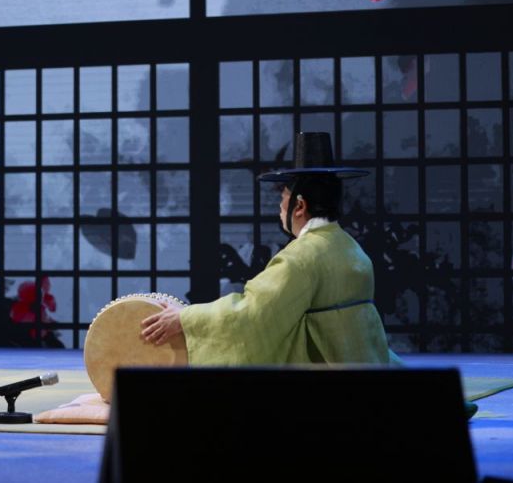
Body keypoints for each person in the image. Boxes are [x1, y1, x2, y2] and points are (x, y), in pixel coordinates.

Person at [141, 131, 394, 365]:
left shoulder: (301, 258)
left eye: (283, 198)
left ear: (299, 206)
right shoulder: (351, 249)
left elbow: (251, 316)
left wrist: (186, 319)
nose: (280, 207)